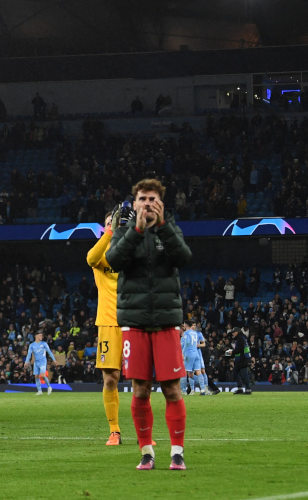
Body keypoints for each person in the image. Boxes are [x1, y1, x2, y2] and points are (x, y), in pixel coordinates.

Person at [106, 178, 192, 471]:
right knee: (140, 389)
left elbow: (183, 257)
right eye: (142, 198)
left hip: (166, 320)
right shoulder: (125, 231)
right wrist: (138, 229)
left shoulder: (171, 228)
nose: (147, 203)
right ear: (135, 203)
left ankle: (177, 453)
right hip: (135, 321)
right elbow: (113, 260)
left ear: (161, 203)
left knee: (172, 390)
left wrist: (163, 226)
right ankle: (146, 453)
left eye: (152, 198)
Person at [86, 212, 124, 445]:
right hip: (109, 321)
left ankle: (144, 430)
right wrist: (110, 231)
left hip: (135, 321)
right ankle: (115, 430)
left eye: (118, 221)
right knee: (111, 378)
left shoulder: (133, 249)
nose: (114, 225)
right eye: (110, 222)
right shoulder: (101, 254)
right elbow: (91, 258)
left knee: (142, 379)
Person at [180, 322, 208, 396]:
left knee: (184, 372)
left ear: (186, 325)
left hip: (189, 354)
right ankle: (203, 389)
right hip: (196, 354)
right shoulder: (195, 333)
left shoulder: (186, 333)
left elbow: (187, 343)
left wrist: (183, 353)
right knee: (198, 372)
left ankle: (183, 391)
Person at [230, 328, 253, 395]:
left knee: (244, 374)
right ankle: (240, 388)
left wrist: (233, 352)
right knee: (235, 373)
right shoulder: (242, 337)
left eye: (234, 332)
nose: (233, 334)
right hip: (241, 358)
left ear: (237, 332)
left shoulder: (240, 338)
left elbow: (240, 348)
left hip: (242, 359)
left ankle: (248, 389)